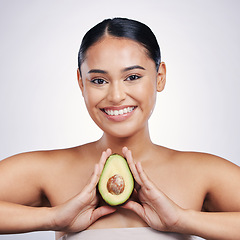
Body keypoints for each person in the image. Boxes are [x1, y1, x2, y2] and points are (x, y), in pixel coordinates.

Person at [0, 17, 240, 240]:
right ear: (80, 83)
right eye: (99, 81)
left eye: (132, 77)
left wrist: (183, 219)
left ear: (160, 77)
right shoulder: (49, 170)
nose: (116, 96)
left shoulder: (202, 173)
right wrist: (54, 217)